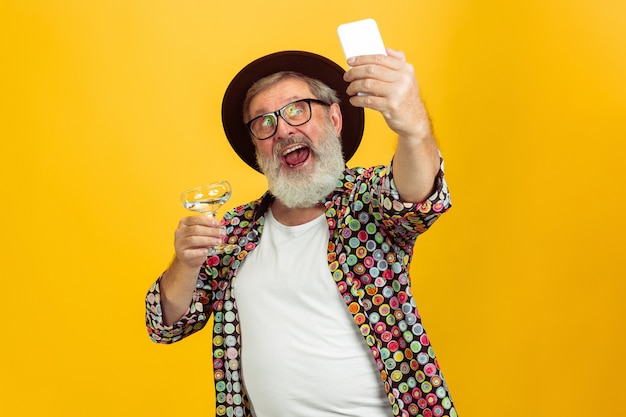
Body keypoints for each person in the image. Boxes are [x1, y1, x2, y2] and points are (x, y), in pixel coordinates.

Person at [145, 49, 457, 417]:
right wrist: (185, 262)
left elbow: (418, 198)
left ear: (335, 117)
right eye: (264, 123)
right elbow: (165, 325)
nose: (282, 130)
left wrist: (413, 126)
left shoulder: (368, 201)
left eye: (297, 110)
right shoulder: (233, 231)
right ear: (256, 146)